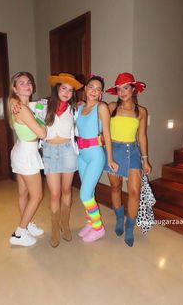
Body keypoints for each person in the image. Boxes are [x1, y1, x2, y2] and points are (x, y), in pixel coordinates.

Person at [104, 72, 152, 247]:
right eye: (119, 89)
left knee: (134, 191)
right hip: (114, 150)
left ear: (133, 89)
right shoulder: (110, 107)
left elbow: (143, 137)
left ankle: (129, 226)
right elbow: (96, 118)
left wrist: (145, 160)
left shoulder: (141, 112)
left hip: (132, 151)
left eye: (126, 88)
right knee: (116, 187)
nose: (122, 92)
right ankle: (119, 218)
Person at [76, 75, 118, 243]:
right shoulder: (79, 107)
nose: (94, 91)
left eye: (98, 89)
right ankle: (90, 222)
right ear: (85, 89)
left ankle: (98, 227)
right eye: (91, 87)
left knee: (84, 195)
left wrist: (110, 158)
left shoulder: (102, 107)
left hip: (95, 155)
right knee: (90, 192)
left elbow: (107, 134)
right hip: (82, 155)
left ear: (101, 93)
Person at [43, 73, 83, 248]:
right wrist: (15, 105)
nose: (67, 92)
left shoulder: (75, 109)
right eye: (63, 88)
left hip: (68, 152)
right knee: (54, 193)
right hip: (50, 152)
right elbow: (21, 106)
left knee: (67, 190)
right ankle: (54, 228)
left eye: (70, 89)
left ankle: (65, 224)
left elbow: (91, 111)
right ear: (57, 88)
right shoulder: (42, 105)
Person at [8, 72, 47, 247]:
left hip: (21, 150)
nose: (27, 85)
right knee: (37, 195)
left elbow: (16, 102)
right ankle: (19, 233)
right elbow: (42, 133)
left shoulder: (19, 104)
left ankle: (27, 223)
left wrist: (38, 107)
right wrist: (41, 116)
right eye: (21, 83)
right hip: (27, 153)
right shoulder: (22, 108)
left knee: (24, 193)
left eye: (29, 82)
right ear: (15, 88)